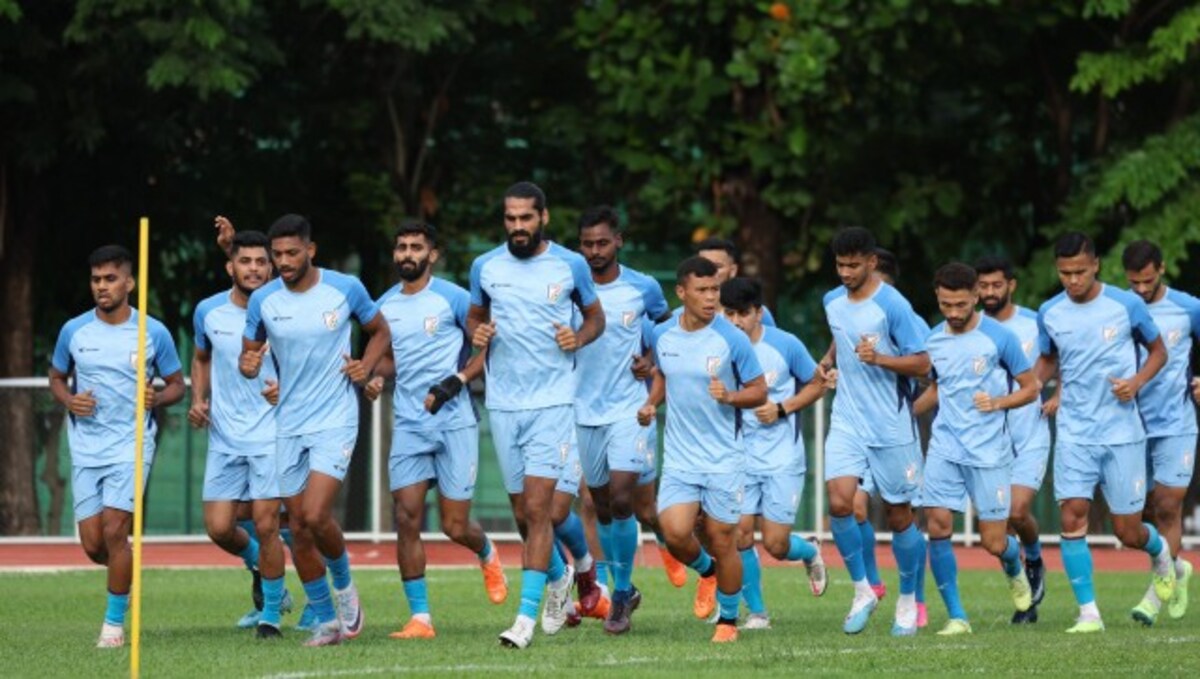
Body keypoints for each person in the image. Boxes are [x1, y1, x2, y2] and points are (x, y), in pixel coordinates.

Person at [241, 214, 392, 646]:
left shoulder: (345, 288)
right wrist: (248, 364)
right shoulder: (263, 301)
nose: (284, 261)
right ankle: (326, 621)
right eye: (278, 255)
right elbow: (248, 355)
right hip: (289, 423)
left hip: (335, 417)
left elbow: (380, 330)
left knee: (314, 514)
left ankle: (344, 588)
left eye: (292, 253)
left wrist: (367, 363)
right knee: (298, 530)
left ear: (311, 250)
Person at [467, 182, 606, 649]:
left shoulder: (570, 264)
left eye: (526, 218)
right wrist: (479, 331)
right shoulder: (484, 267)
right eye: (510, 218)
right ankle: (569, 572)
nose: (518, 226)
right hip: (504, 403)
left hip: (553, 402)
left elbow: (595, 318)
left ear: (543, 217)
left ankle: (523, 621)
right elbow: (473, 318)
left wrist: (578, 338)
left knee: (538, 509)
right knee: (523, 517)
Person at [363, 221, 508, 639]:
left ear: (432, 254)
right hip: (409, 423)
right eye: (401, 247)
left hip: (455, 421)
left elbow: (488, 348)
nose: (408, 254)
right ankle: (421, 618)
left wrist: (455, 383)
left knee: (454, 526)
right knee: (406, 518)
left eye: (416, 247)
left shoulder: (454, 299)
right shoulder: (383, 306)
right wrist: (375, 375)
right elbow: (389, 360)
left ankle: (486, 551)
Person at [1035, 231, 1174, 633]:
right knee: (1072, 515)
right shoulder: (1050, 312)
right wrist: (1028, 387)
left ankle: (1163, 557)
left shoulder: (1126, 304)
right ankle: (1088, 613)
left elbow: (1159, 352)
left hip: (1121, 432)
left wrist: (1136, 382)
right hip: (1076, 431)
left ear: (1095, 265)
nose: (1073, 280)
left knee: (1127, 531)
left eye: (1079, 271)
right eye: (1064, 273)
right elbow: (1047, 360)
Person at [49, 245, 185, 647]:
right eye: (96, 280)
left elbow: (177, 385)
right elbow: (56, 376)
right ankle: (121, 575)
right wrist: (69, 400)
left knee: (114, 530)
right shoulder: (74, 330)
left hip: (131, 444)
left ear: (129, 282)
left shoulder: (153, 332)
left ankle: (113, 627)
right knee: (94, 545)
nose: (102, 287)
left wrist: (157, 398)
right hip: (87, 446)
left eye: (110, 279)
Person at [640, 256, 768, 643]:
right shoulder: (663, 335)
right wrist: (651, 403)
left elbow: (760, 390)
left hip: (724, 457)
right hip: (680, 457)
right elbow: (662, 372)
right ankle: (708, 572)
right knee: (675, 532)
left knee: (723, 537)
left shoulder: (731, 339)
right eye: (703, 291)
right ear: (681, 293)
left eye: (715, 290)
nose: (712, 298)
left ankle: (728, 621)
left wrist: (730, 396)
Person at [913, 262, 1039, 635]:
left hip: (989, 453)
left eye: (960, 305)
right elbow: (936, 389)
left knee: (994, 542)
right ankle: (956, 616)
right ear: (938, 296)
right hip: (945, 446)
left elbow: (1030, 387)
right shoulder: (933, 341)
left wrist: (998, 403)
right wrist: (904, 415)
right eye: (946, 305)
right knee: (937, 527)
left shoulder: (999, 338)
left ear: (975, 297)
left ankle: (1016, 568)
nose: (952, 313)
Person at [820, 226, 930, 636]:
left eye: (853, 265)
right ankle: (863, 589)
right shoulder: (831, 301)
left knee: (900, 514)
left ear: (871, 262)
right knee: (839, 501)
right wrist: (827, 362)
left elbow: (923, 364)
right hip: (847, 417)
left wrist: (880, 358)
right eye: (839, 265)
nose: (845, 272)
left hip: (890, 421)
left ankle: (906, 600)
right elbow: (839, 340)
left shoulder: (893, 306)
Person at [573, 206, 672, 634]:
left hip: (629, 408)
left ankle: (621, 591)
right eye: (587, 244)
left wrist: (650, 360)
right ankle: (623, 592)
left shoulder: (643, 287)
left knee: (620, 499)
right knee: (599, 505)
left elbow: (669, 334)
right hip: (582, 410)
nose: (594, 251)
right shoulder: (568, 287)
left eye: (602, 243)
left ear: (619, 241)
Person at [190, 230, 291, 638]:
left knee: (268, 525)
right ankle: (259, 564)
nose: (254, 268)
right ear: (230, 266)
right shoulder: (208, 312)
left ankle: (270, 612)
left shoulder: (284, 309)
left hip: (272, 434)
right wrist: (199, 399)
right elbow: (200, 358)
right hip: (224, 437)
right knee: (218, 526)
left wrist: (283, 390)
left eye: (261, 262)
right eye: (245, 261)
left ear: (271, 267)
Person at [720, 277, 828, 630]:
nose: (736, 321)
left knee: (777, 545)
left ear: (759, 313)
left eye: (743, 314)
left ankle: (809, 550)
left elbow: (817, 384)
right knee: (740, 535)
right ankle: (758, 613)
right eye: (729, 313)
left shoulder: (785, 344)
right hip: (738, 458)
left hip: (782, 457)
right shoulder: (716, 346)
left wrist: (782, 408)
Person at [1121, 240, 1198, 625]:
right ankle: (1177, 568)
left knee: (1168, 505)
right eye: (1133, 282)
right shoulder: (1116, 308)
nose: (1140, 290)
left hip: (1177, 423)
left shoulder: (1188, 307)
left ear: (1162, 270)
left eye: (1147, 281)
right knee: (1133, 520)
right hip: (1127, 426)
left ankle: (1153, 597)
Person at [975, 254, 1052, 624]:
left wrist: (1058, 395)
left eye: (996, 285)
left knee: (1016, 511)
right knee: (998, 532)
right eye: (983, 286)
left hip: (1030, 431)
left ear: (1011, 285)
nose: (989, 292)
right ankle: (1025, 601)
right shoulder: (967, 329)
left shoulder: (1035, 323)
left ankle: (1035, 557)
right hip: (988, 442)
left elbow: (1065, 359)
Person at [692, 237, 776, 326]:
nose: (709, 271)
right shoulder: (683, 316)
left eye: (717, 266)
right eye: (703, 266)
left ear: (733, 271)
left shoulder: (756, 312)